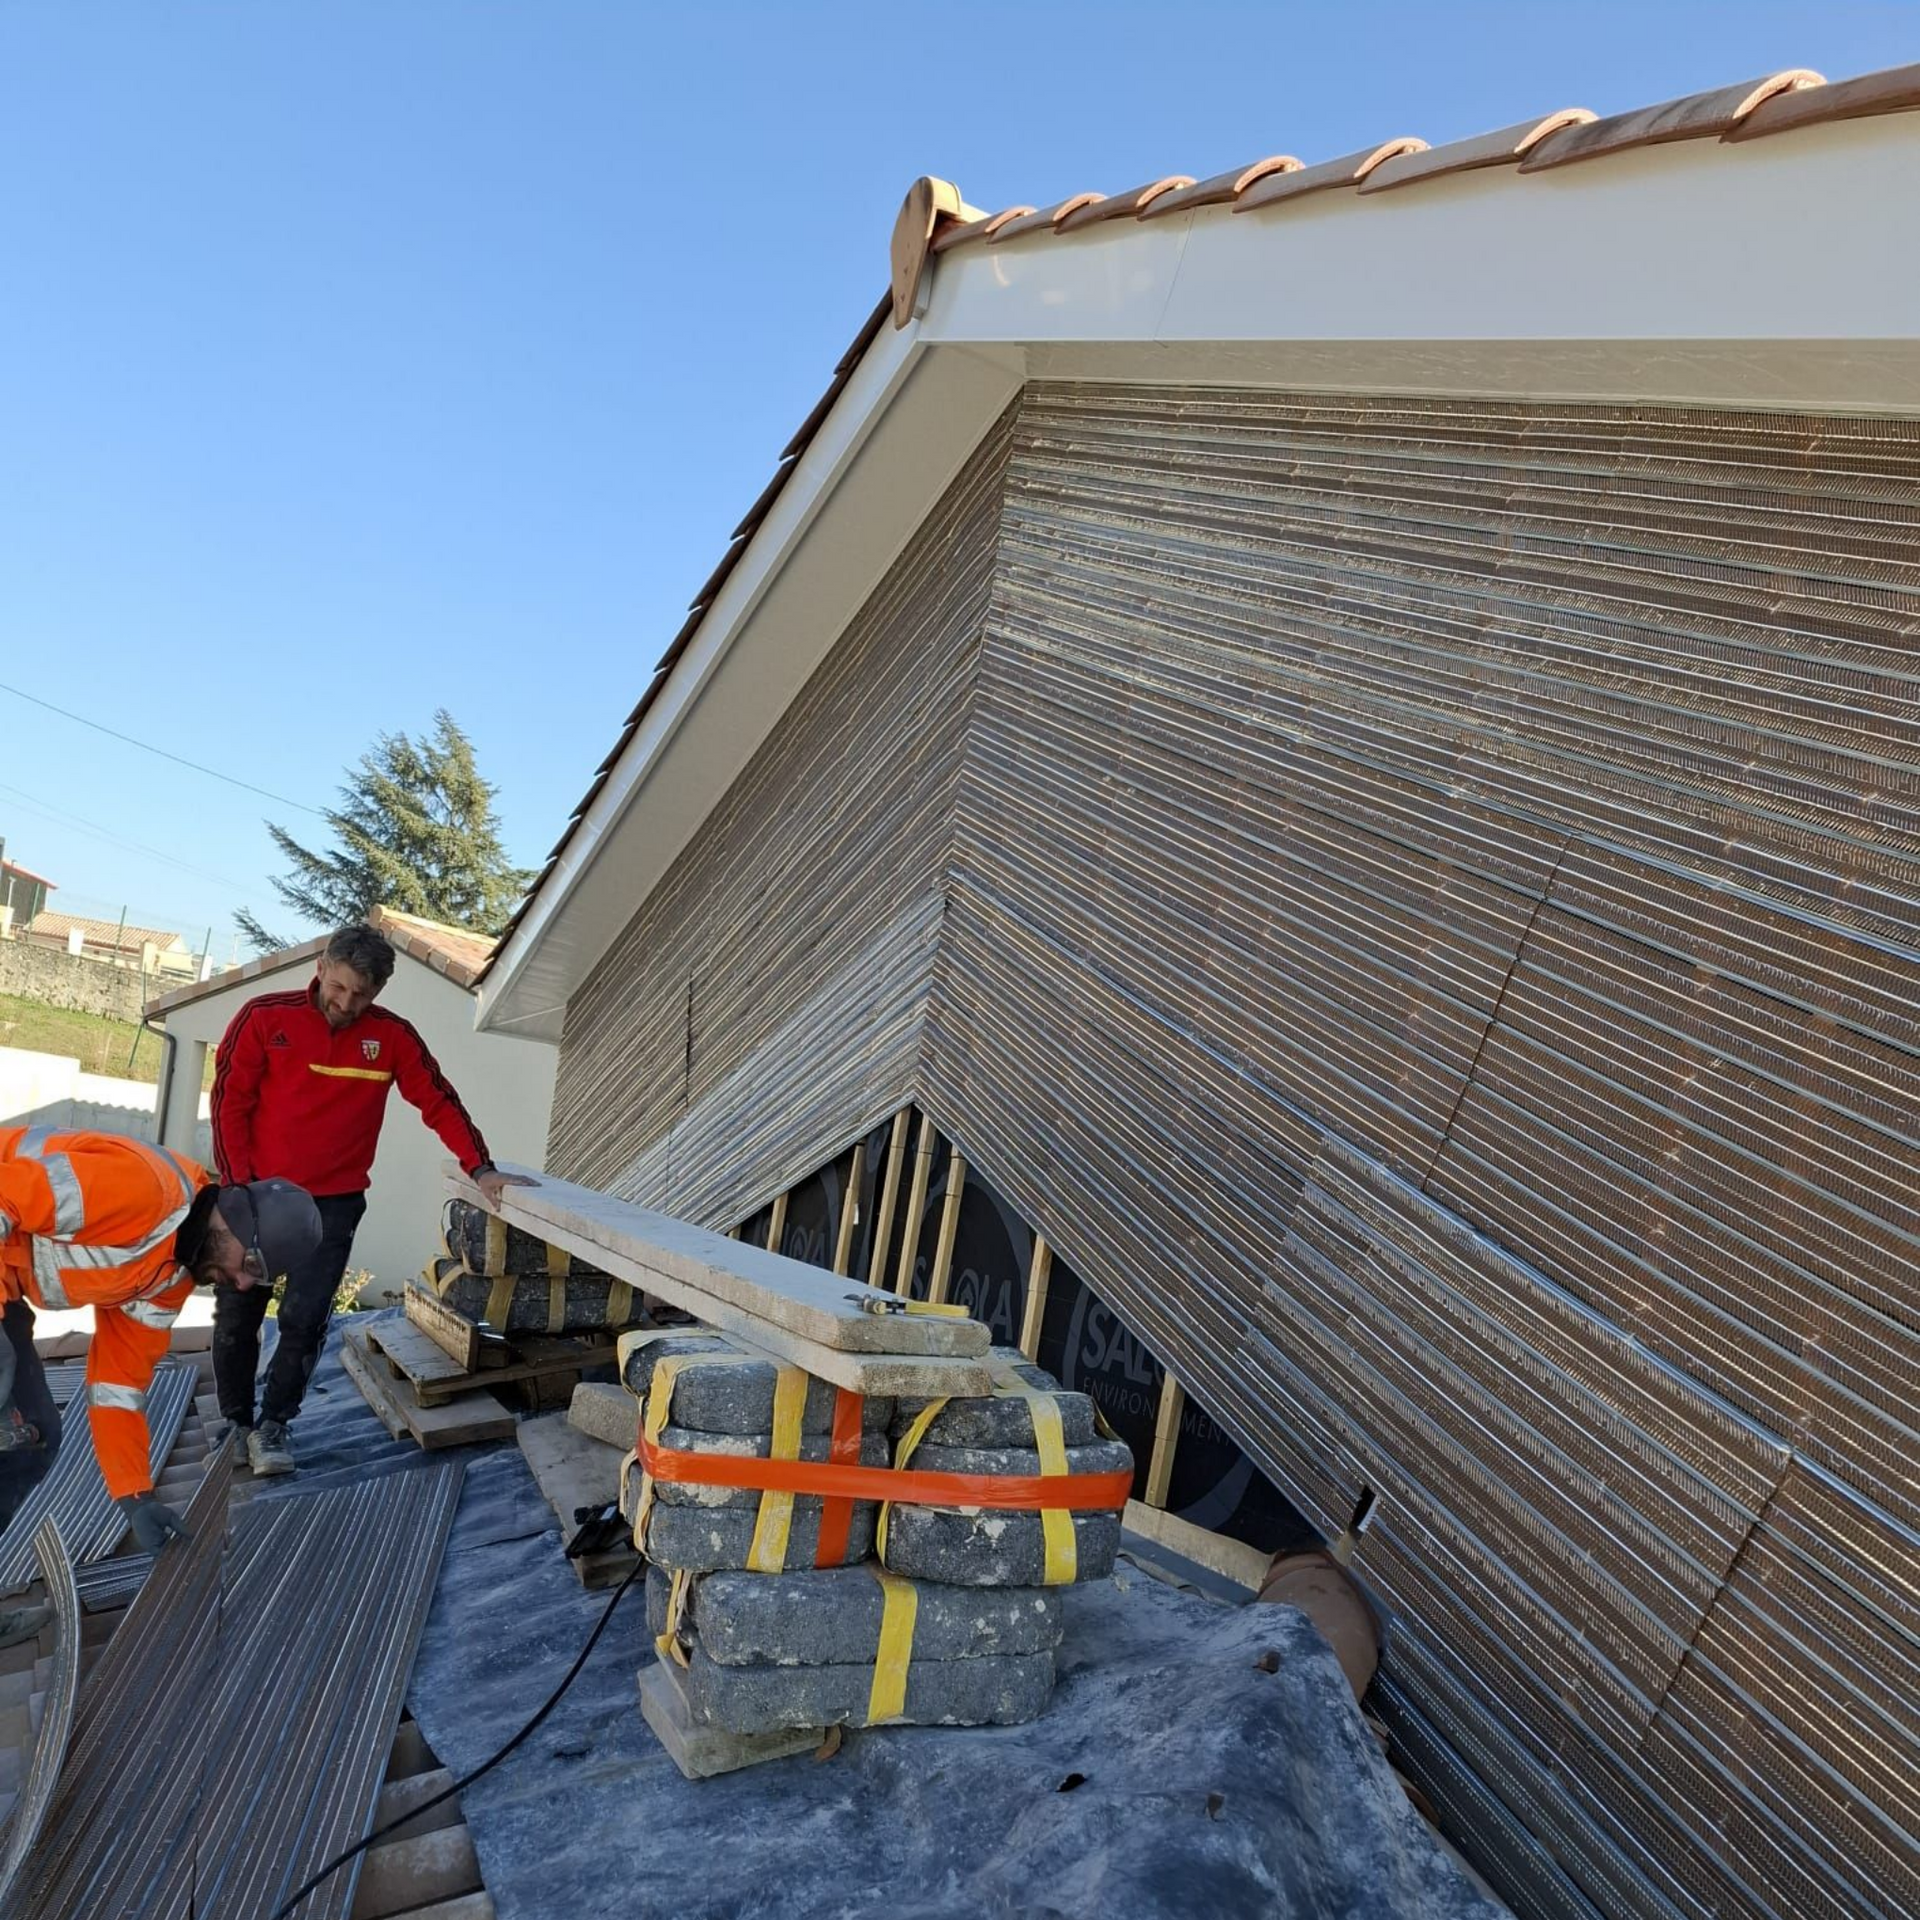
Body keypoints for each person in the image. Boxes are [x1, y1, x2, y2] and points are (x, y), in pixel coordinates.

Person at [210, 921, 531, 1478]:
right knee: (238, 1314)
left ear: (378, 991)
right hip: (255, 1196)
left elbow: (437, 1100)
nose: (346, 1002)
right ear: (321, 969)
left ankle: (274, 1426)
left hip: (332, 1205)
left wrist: (480, 1168)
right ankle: (236, 1422)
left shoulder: (393, 1038)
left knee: (305, 1319)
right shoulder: (265, 1018)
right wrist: (238, 1191)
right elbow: (228, 1105)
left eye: (361, 994)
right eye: (338, 987)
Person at [0, 1125, 320, 1644]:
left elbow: (116, 1386)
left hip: (6, 1283)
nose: (242, 1284)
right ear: (233, 1223)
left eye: (257, 1281)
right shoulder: (143, 1191)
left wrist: (134, 1496)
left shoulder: (170, 1278)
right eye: (251, 1266)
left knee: (29, 1436)